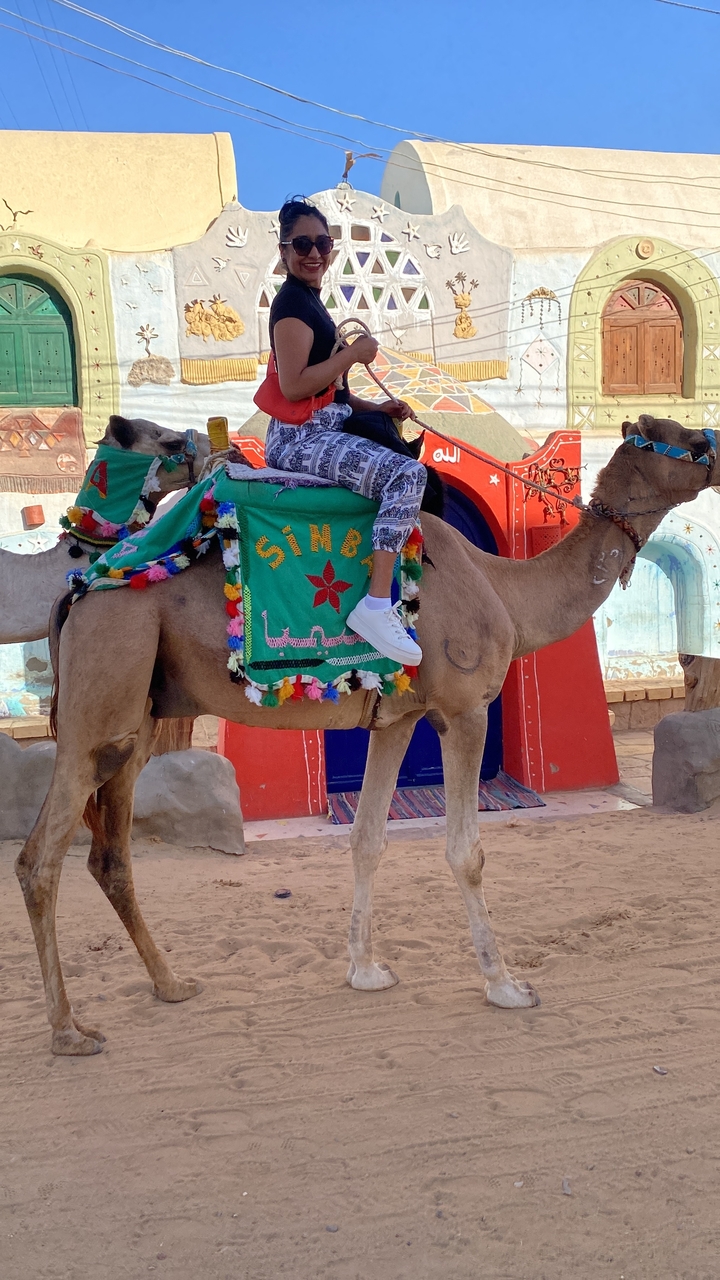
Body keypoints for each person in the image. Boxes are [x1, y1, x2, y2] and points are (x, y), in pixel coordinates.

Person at [262, 196, 425, 666]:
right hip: (302, 439)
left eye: (322, 243)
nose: (313, 253)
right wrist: (353, 354)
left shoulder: (312, 301)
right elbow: (294, 387)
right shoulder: (292, 304)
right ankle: (375, 606)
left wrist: (379, 405)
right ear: (284, 250)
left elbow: (329, 390)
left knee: (399, 460)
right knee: (407, 477)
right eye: (301, 244)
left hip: (322, 427)